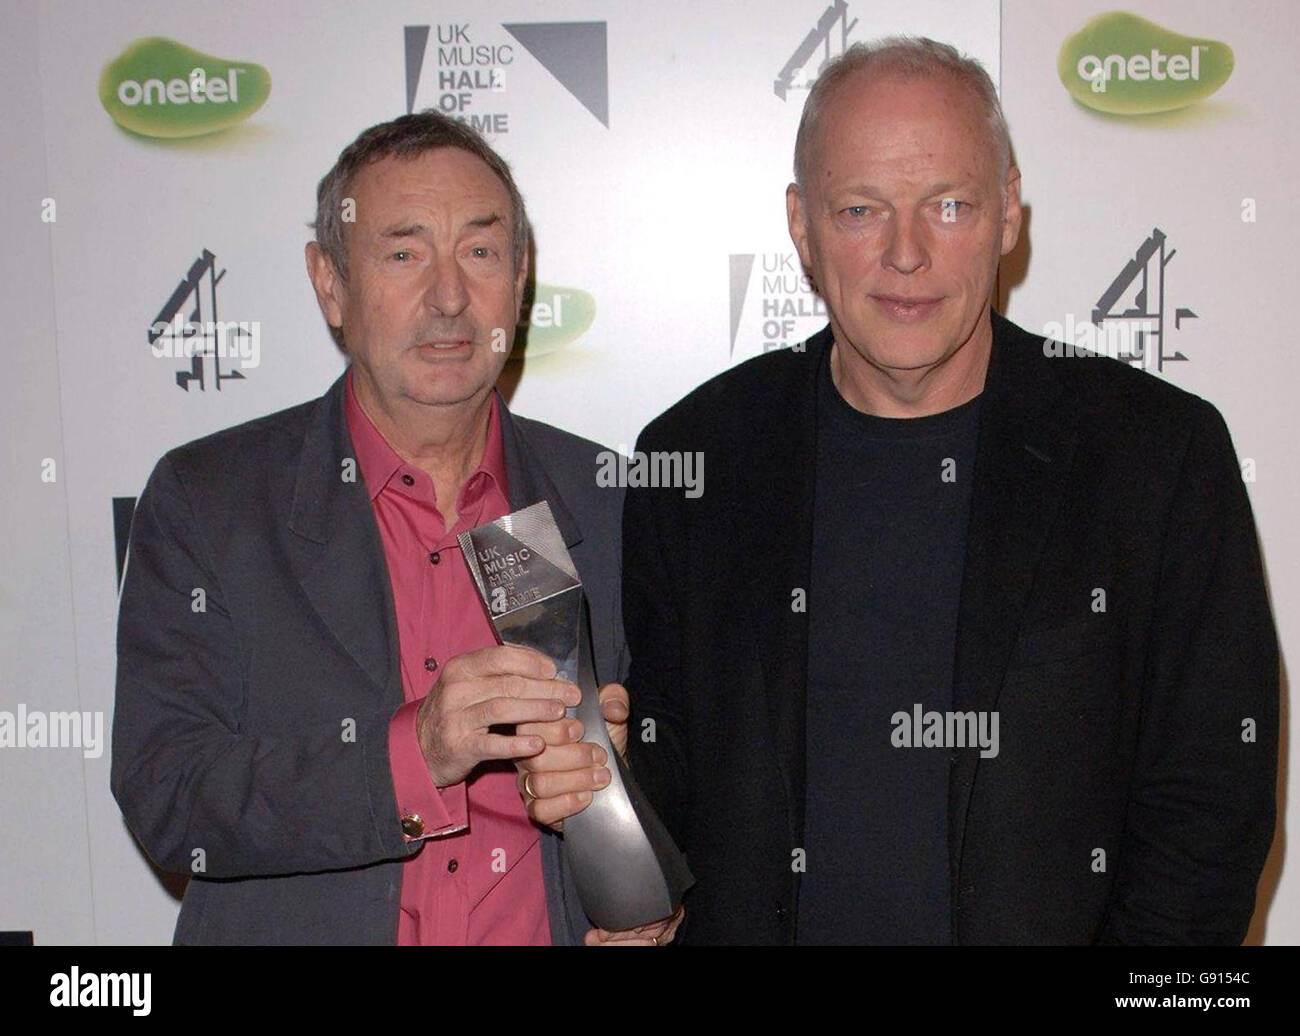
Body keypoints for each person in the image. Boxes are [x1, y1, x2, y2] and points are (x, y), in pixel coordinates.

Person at [618, 37, 1278, 944]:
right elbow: (668, 791)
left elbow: (1210, 814)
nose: (906, 254)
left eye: (950, 205)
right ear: (801, 226)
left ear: (1010, 211)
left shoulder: (1159, 458)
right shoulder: (692, 462)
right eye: (860, 210)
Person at [112, 111, 679, 946]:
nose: (449, 297)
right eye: (404, 253)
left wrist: (645, 889)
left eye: (481, 253)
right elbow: (170, 794)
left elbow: (700, 787)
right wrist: (413, 755)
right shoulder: (212, 502)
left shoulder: (605, 501)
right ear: (330, 282)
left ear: (519, 281)